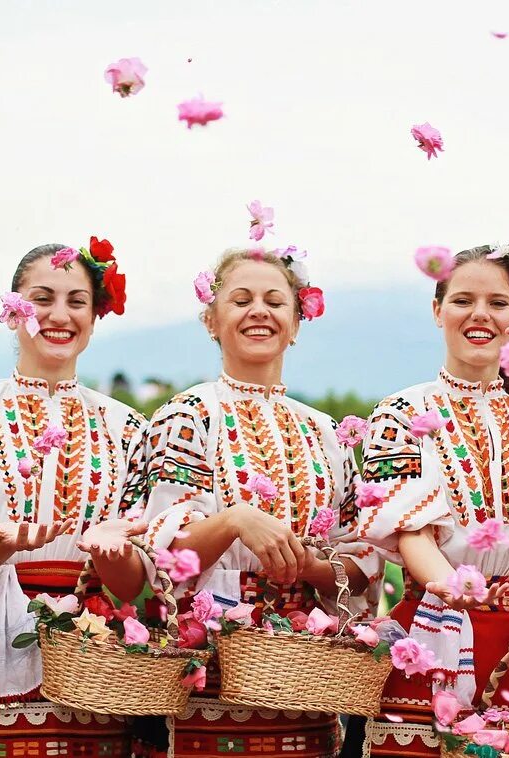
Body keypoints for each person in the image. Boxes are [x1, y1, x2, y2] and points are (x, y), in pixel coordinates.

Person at [137, 248, 381, 758]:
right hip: (203, 670)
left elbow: (360, 562)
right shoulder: (186, 417)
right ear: (211, 320)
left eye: (275, 301)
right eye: (240, 299)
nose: (259, 312)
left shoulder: (325, 432)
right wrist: (234, 521)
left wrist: (307, 567)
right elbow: (165, 555)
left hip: (303, 676)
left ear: (296, 323)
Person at [0, 237, 148, 756]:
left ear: (96, 313)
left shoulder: (129, 428)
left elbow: (131, 587)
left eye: (76, 301)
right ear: (13, 306)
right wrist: (4, 544)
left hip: (92, 651)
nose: (59, 315)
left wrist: (113, 553)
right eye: (42, 298)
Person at [354, 244, 509, 757]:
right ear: (437, 311)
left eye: (498, 303)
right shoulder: (401, 412)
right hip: (429, 640)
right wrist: (449, 584)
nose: (480, 314)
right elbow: (411, 528)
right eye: (462, 300)